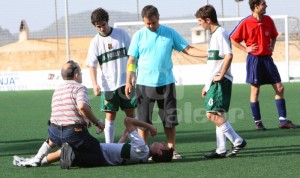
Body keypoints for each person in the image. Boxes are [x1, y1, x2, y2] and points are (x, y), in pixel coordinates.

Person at [125, 5, 206, 159]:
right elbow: (132, 60)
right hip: (143, 84)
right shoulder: (139, 36)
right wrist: (128, 80)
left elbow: (187, 49)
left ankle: (171, 149)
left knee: (169, 119)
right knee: (144, 121)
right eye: (147, 23)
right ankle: (144, 151)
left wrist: (208, 54)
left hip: (166, 84)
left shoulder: (169, 33)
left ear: (158, 18)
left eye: (153, 23)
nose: (150, 26)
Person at [13, 60, 106, 167]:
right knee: (96, 153)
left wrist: (85, 119)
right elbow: (82, 106)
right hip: (73, 133)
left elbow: (65, 112)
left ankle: (38, 159)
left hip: (54, 132)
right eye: (80, 72)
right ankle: (70, 156)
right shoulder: (79, 87)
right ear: (76, 75)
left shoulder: (57, 89)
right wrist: (97, 122)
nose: (81, 75)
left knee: (55, 137)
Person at [230, 0, 300, 130]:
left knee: (279, 88)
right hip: (254, 60)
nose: (266, 5)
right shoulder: (246, 22)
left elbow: (274, 35)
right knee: (255, 91)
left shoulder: (268, 20)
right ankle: (258, 123)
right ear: (256, 6)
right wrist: (246, 49)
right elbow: (233, 38)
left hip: (267, 59)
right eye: (263, 4)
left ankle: (283, 121)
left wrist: (272, 46)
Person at [13, 117, 174, 169]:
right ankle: (38, 161)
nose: (161, 142)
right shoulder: (144, 156)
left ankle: (36, 160)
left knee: (70, 141)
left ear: (159, 152)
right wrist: (125, 135)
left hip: (97, 151)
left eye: (163, 145)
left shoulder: (142, 147)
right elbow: (121, 150)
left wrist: (149, 126)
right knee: (68, 151)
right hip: (101, 157)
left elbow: (127, 120)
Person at [195, 5, 247, 158]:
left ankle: (237, 140)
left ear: (208, 20)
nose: (199, 24)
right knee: (219, 113)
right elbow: (213, 64)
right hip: (214, 82)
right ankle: (221, 149)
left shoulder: (220, 33)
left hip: (220, 82)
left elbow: (229, 55)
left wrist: (221, 75)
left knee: (211, 114)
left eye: (200, 21)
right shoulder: (214, 35)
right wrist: (207, 84)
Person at [86, 7, 137, 143]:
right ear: (95, 26)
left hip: (125, 83)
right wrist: (95, 84)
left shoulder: (121, 34)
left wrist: (132, 76)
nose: (102, 28)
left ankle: (136, 144)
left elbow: (132, 56)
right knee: (110, 116)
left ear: (107, 21)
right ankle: (110, 146)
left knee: (131, 115)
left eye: (103, 25)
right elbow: (92, 65)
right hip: (108, 86)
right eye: (98, 26)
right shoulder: (95, 42)